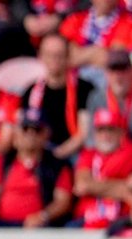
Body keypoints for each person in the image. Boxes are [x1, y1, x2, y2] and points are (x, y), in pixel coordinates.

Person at [0, 108, 74, 227]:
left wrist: (43, 216)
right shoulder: (3, 161)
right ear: (16, 132)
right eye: (25, 128)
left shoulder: (57, 165)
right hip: (1, 225)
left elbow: (62, 201)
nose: (30, 134)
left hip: (39, 228)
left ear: (46, 134)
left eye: (37, 130)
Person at [72, 109, 132, 229]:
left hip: (121, 220)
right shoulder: (88, 154)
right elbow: (82, 186)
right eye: (101, 130)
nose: (105, 135)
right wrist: (120, 186)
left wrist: (95, 186)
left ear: (121, 132)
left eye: (111, 129)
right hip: (85, 219)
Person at [21, 33, 93, 161]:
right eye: (49, 54)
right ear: (41, 56)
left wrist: (58, 154)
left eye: (59, 55)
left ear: (68, 57)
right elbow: (24, 131)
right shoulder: (31, 91)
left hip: (73, 153)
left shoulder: (84, 89)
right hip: (40, 153)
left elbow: (83, 134)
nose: (54, 60)